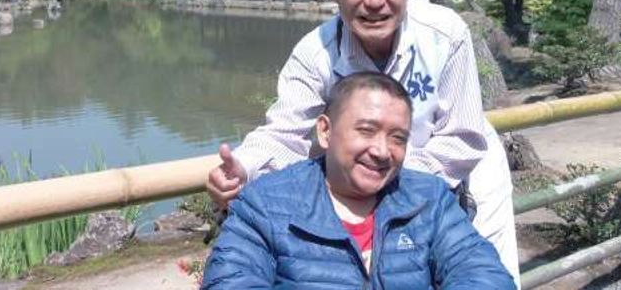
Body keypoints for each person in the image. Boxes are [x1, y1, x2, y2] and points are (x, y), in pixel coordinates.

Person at [206, 0, 520, 284]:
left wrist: (387, 171)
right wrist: (243, 166)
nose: (375, 1)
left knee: (482, 272)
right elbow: (285, 133)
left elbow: (462, 137)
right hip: (362, 183)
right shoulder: (313, 53)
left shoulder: (444, 34)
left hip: (454, 175)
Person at [202, 73, 516, 289]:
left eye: (397, 138)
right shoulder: (265, 205)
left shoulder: (429, 200)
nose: (381, 151)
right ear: (325, 131)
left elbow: (483, 273)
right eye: (366, 130)